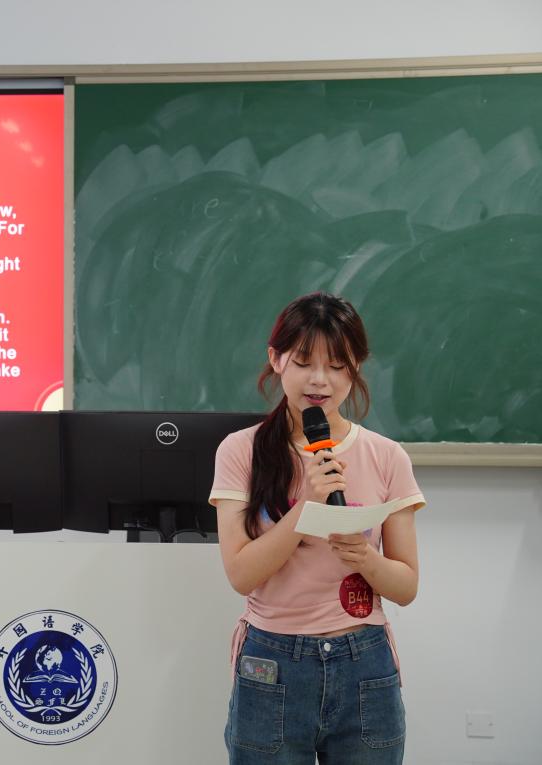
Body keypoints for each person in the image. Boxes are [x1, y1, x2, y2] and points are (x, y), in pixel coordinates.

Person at [210, 292, 424, 764]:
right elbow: (241, 574)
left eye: (337, 365)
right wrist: (306, 505)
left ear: (356, 367)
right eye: (304, 362)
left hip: (364, 662)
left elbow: (406, 586)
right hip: (273, 661)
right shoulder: (240, 451)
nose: (320, 380)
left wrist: (365, 558)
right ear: (276, 359)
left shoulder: (387, 456)